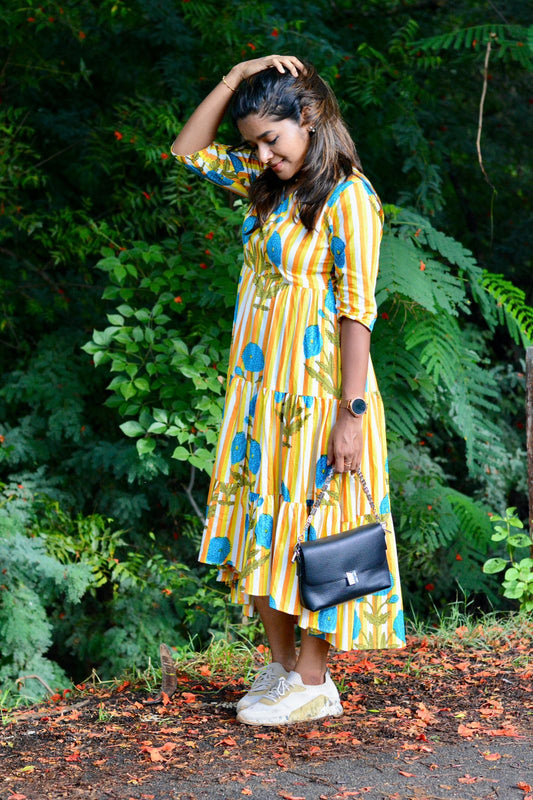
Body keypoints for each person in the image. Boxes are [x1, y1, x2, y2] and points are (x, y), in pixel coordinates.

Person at [171, 54, 405, 727]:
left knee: (316, 529)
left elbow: (357, 310)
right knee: (260, 521)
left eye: (271, 138)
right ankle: (279, 671)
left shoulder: (348, 197)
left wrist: (351, 414)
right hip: (257, 390)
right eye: (253, 144)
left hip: (316, 392)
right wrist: (235, 74)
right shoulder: (265, 187)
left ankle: (313, 678)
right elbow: (187, 152)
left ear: (308, 118)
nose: (263, 154)